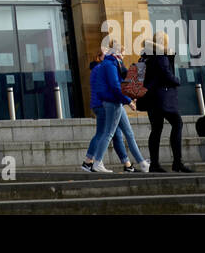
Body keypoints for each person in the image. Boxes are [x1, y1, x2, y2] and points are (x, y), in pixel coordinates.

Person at [82, 43, 150, 173]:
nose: (124, 57)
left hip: (114, 102)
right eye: (123, 54)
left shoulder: (112, 64)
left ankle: (141, 163)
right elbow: (115, 86)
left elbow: (122, 79)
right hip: (112, 102)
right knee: (108, 133)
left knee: (127, 133)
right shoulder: (109, 65)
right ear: (117, 53)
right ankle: (97, 162)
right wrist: (128, 101)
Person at [143, 31, 192, 173]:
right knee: (177, 124)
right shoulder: (160, 55)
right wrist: (177, 80)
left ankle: (154, 164)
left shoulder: (146, 56)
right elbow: (165, 74)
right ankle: (177, 162)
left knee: (156, 130)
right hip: (163, 97)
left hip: (151, 98)